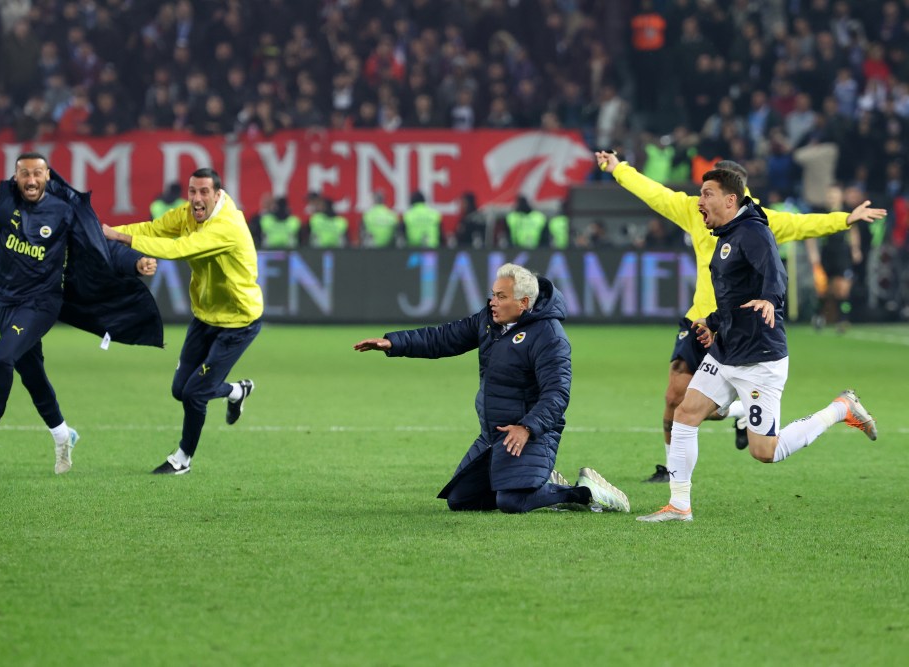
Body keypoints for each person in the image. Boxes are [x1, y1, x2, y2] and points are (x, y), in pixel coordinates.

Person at [594, 151, 886, 482]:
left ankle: (745, 413)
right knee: (676, 398)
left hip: (737, 328)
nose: (704, 199)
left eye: (712, 192)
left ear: (735, 196)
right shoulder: (694, 209)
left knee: (706, 412)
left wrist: (845, 218)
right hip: (701, 320)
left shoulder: (758, 223)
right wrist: (618, 168)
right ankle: (674, 470)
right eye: (705, 192)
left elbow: (803, 225)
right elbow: (654, 193)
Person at [353, 263, 630, 514]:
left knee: (511, 502)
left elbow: (557, 394)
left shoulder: (549, 336)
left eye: (501, 296)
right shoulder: (489, 321)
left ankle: (587, 492)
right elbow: (443, 338)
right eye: (493, 294)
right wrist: (394, 343)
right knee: (460, 500)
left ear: (523, 302)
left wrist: (528, 428)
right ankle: (540, 484)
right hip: (493, 435)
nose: (492, 302)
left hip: (529, 435)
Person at [0, 152, 162, 473]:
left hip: (42, 303)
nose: (31, 180)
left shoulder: (63, 210)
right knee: (32, 375)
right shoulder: (1, 201)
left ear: (48, 175)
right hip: (5, 303)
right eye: (25, 174)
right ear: (16, 176)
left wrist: (133, 262)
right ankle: (63, 435)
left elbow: (98, 245)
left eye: (38, 173)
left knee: (1, 357)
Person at [102, 167, 263, 475]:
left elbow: (177, 249)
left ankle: (182, 460)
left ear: (218, 195)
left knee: (194, 394)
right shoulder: (188, 214)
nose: (196, 199)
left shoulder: (227, 225)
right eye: (192, 192)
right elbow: (154, 228)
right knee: (181, 389)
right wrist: (108, 232)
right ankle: (236, 391)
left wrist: (118, 236)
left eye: (204, 192)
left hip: (238, 321)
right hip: (205, 316)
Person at [805, 184, 861, 333]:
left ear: (840, 196)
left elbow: (853, 231)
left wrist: (855, 249)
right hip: (826, 255)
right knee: (823, 290)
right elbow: (810, 233)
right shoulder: (821, 214)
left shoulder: (847, 213)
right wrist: (813, 253)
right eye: (829, 195)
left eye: (834, 195)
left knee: (842, 290)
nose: (832, 198)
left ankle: (843, 320)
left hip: (842, 255)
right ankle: (818, 316)